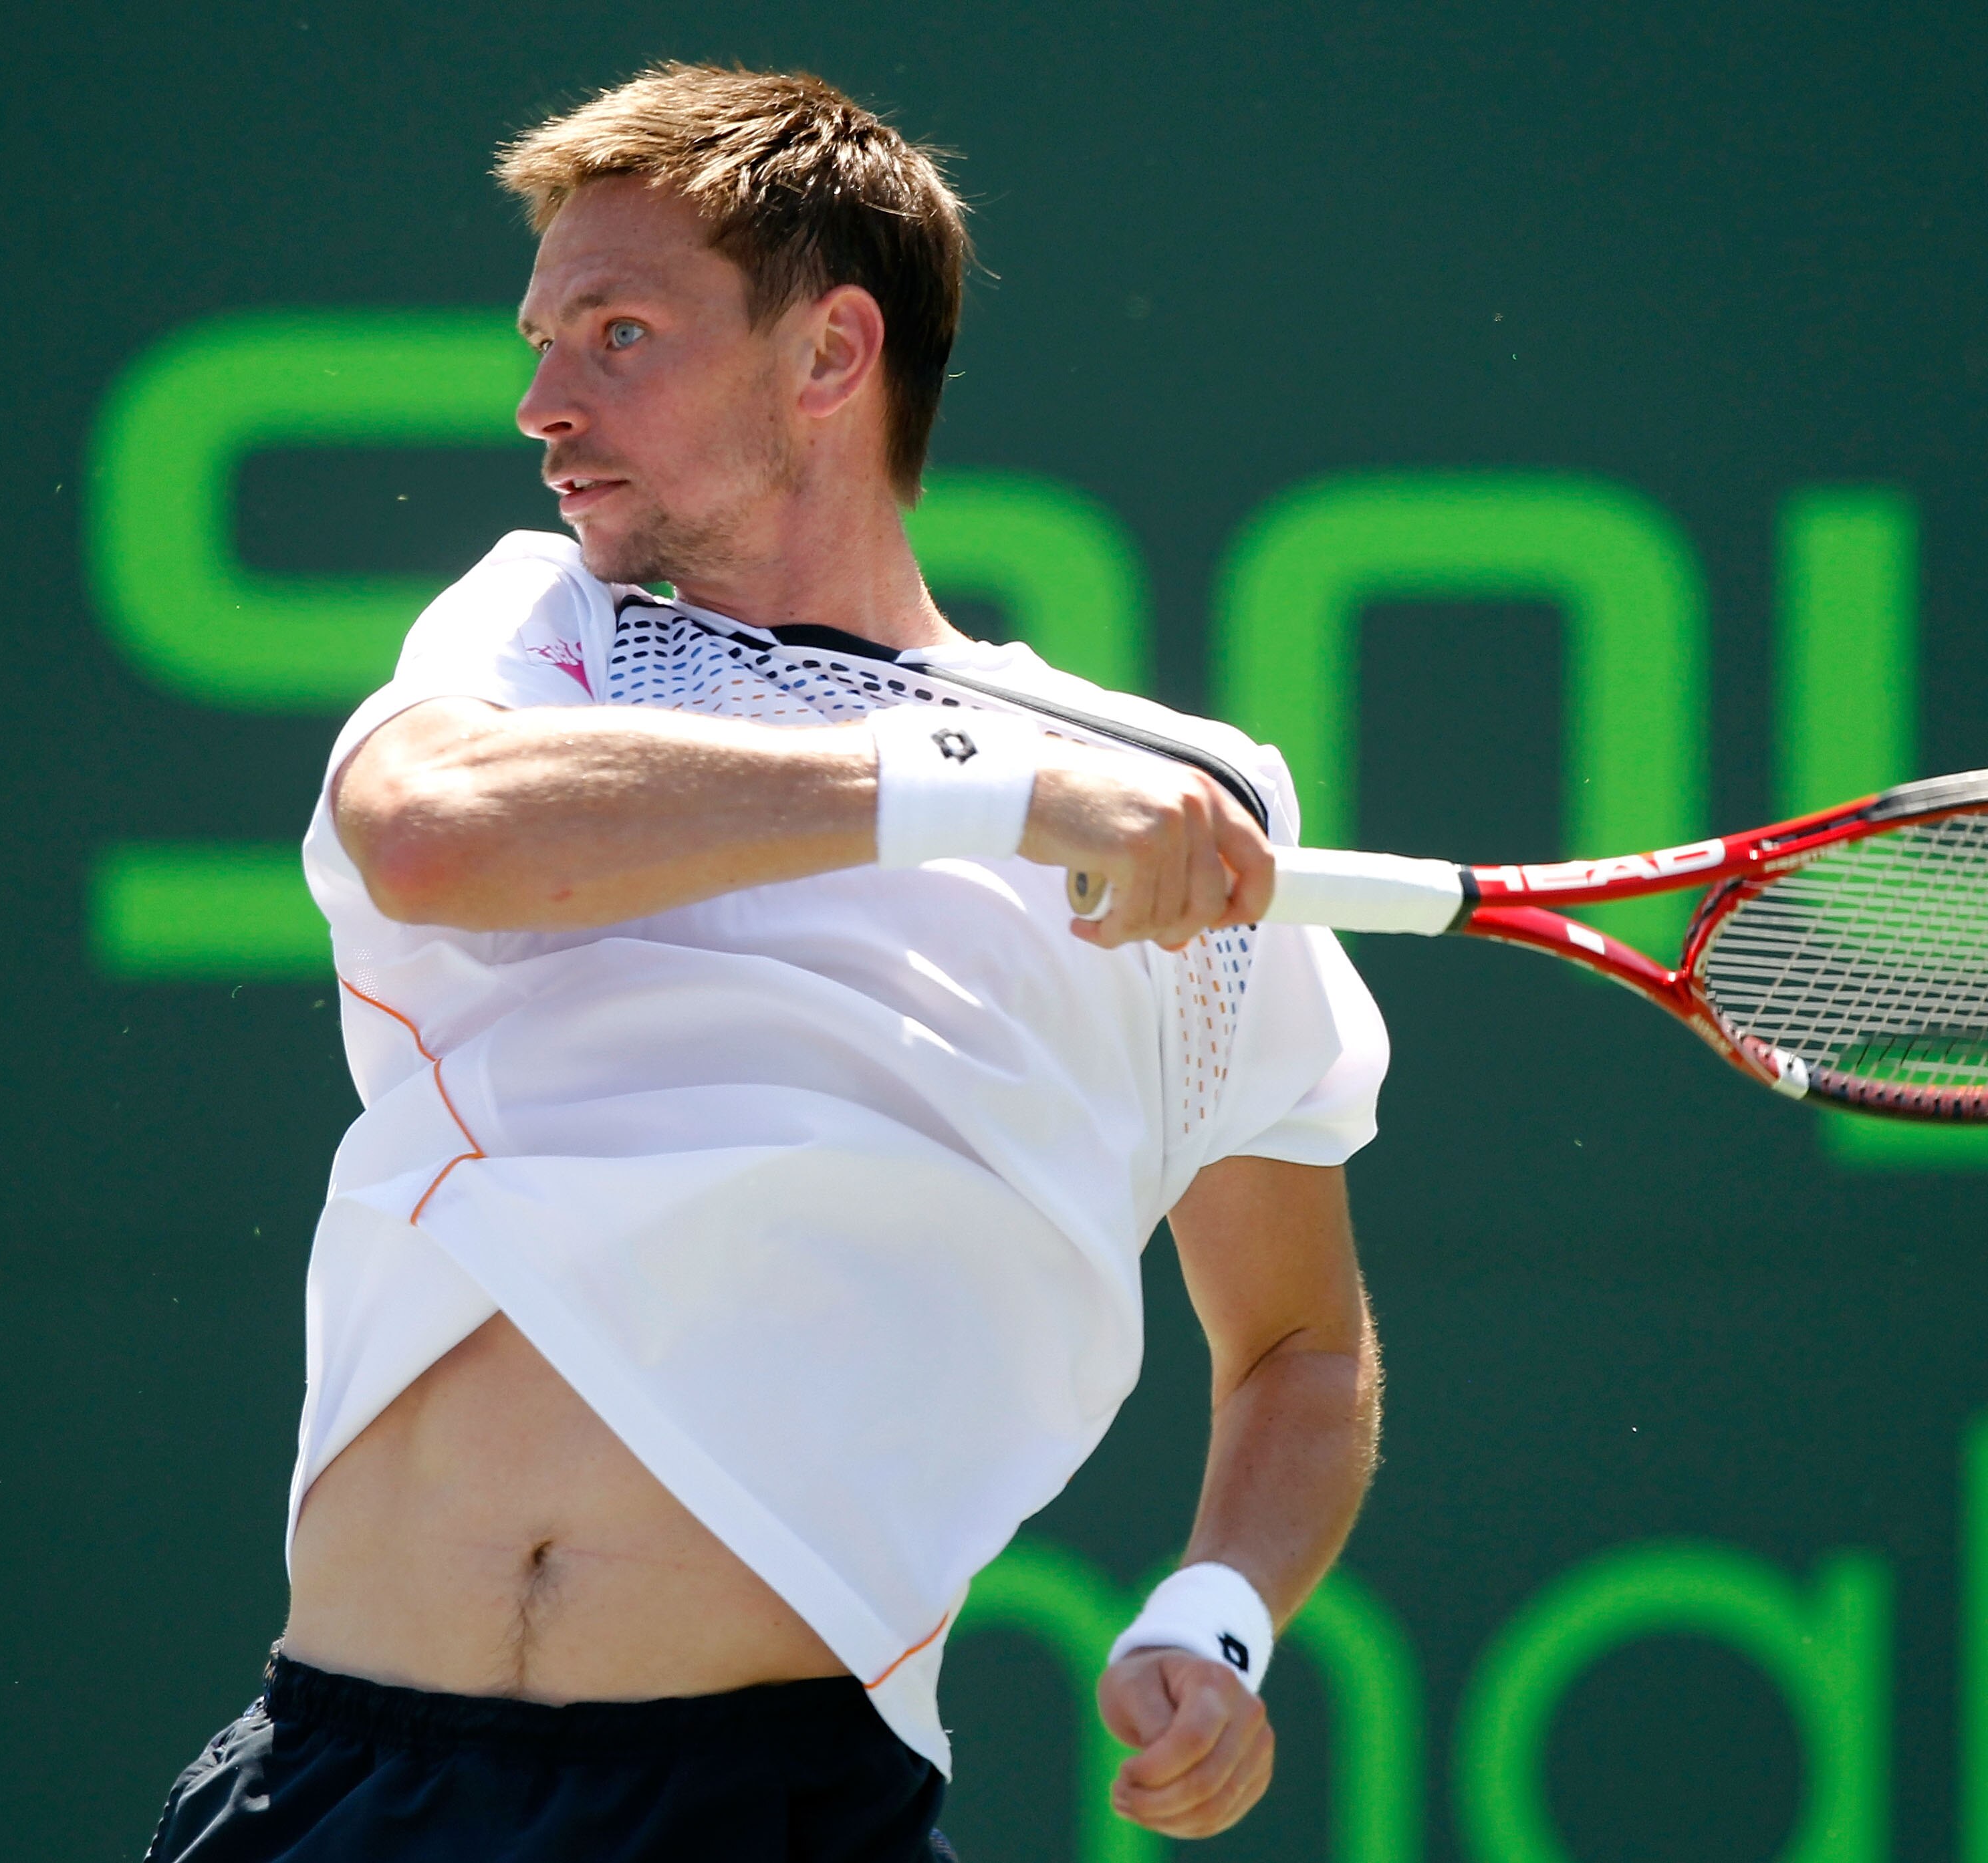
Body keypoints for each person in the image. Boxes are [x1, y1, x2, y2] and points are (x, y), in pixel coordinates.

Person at [146, 61, 1390, 1863]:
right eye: (540, 337)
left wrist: (1217, 1610)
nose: (540, 402)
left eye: (617, 332)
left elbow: (1296, 1340)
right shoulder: (531, 634)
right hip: (341, 1785)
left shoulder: (1182, 807)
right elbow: (426, 825)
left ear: (827, 357)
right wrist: (998, 789)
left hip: (770, 1812)